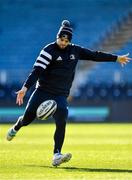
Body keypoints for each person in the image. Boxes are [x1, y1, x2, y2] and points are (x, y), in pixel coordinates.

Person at [6, 20, 131, 166]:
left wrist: (116, 58)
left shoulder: (75, 50)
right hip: (43, 91)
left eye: (66, 40)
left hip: (61, 94)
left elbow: (94, 55)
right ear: (57, 37)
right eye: (61, 39)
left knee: (62, 121)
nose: (63, 42)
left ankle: (56, 154)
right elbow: (37, 71)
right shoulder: (48, 50)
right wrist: (25, 88)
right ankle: (16, 127)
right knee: (27, 119)